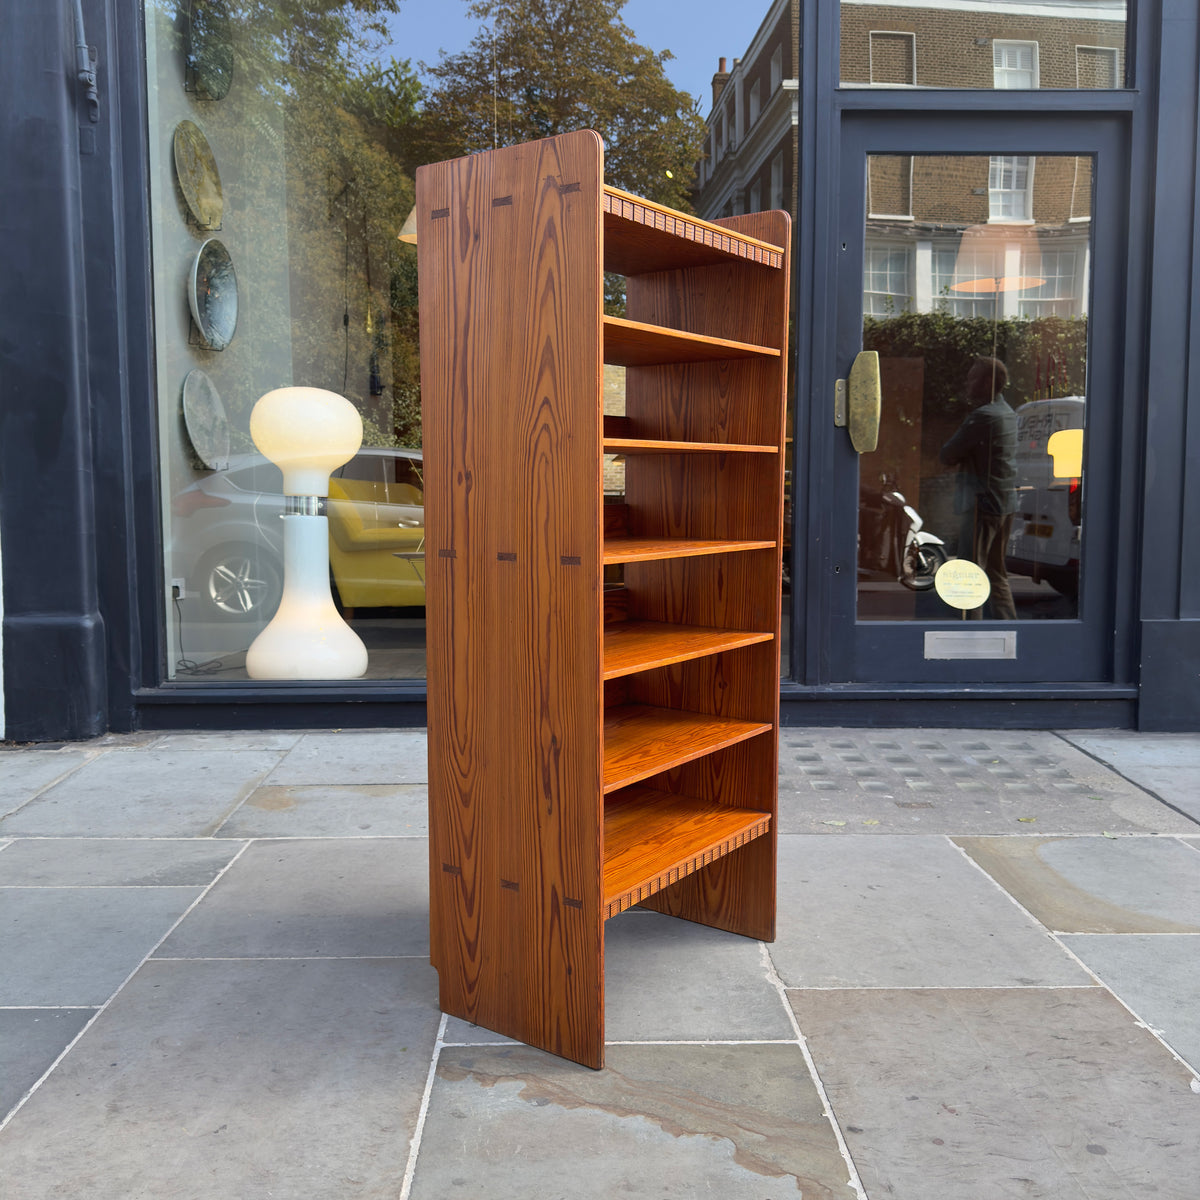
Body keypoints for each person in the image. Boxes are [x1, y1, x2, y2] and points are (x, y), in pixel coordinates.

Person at [940, 356, 1018, 620]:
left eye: (973, 378)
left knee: (970, 576)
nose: (967, 383)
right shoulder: (1008, 413)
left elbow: (948, 454)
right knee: (996, 573)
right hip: (1004, 504)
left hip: (982, 506)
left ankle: (969, 635)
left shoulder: (983, 417)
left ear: (987, 382)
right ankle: (1010, 628)